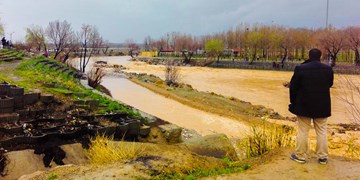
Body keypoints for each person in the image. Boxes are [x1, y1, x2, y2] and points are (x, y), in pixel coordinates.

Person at [288, 48, 333, 165]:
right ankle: (323, 157)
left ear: (308, 56)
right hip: (322, 105)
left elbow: (293, 87)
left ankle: (300, 156)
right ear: (320, 57)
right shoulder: (328, 69)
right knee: (322, 131)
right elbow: (330, 84)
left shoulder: (300, 68)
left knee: (303, 131)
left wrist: (293, 102)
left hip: (304, 105)